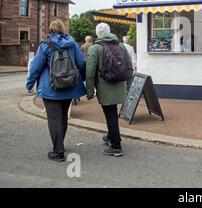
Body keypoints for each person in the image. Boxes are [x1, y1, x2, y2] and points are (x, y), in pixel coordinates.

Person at [26, 20, 86, 162]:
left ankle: (58, 151)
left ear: (50, 30)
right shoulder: (73, 44)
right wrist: (80, 79)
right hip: (70, 86)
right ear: (63, 29)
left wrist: (29, 84)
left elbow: (36, 67)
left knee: (54, 119)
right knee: (63, 116)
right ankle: (60, 144)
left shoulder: (45, 46)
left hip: (51, 87)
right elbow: (82, 63)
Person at [86, 23, 133, 157]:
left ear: (97, 34)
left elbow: (90, 72)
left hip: (105, 86)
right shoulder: (121, 46)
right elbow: (129, 68)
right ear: (110, 32)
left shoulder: (95, 48)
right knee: (112, 113)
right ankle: (110, 136)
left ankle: (116, 146)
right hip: (120, 85)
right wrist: (128, 86)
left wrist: (89, 92)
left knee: (111, 115)